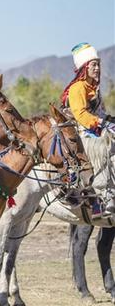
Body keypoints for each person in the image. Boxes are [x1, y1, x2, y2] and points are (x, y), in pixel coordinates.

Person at [61, 43, 115, 215]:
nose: (97, 68)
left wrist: (110, 120)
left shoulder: (94, 88)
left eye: (98, 64)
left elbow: (101, 113)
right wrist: (103, 124)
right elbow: (80, 114)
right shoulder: (77, 88)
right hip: (83, 132)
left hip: (97, 128)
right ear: (85, 67)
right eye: (93, 65)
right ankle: (104, 196)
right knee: (106, 148)